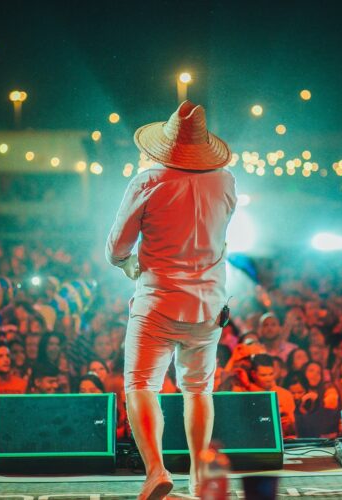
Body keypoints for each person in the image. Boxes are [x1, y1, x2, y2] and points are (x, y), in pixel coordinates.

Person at [106, 100, 236, 499]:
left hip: (158, 302)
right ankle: (199, 475)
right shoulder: (226, 180)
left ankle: (157, 472)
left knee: (141, 385)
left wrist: (128, 263)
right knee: (198, 389)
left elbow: (117, 246)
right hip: (209, 306)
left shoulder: (148, 180)